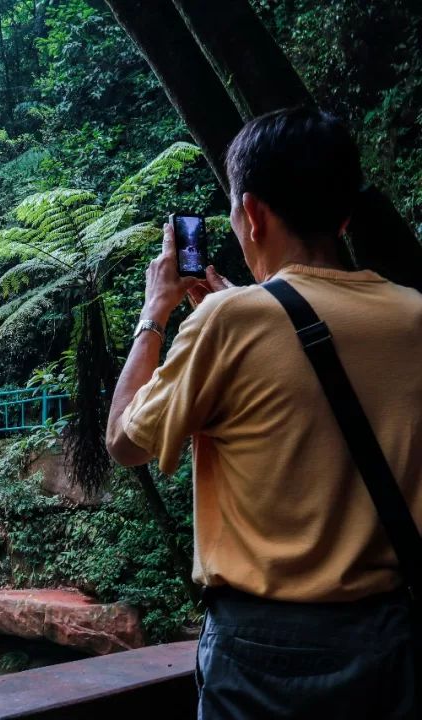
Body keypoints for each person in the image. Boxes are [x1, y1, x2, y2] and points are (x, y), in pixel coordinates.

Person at [105, 107, 422, 719]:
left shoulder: (228, 321)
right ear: (345, 213)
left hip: (263, 655)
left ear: (251, 213)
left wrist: (156, 314)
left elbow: (124, 440)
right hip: (390, 641)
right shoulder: (414, 314)